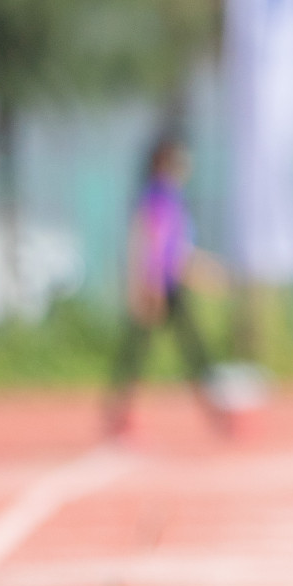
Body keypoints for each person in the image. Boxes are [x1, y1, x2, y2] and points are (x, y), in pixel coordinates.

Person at [106, 136, 225, 437]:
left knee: (181, 348)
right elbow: (153, 242)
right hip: (158, 286)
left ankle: (213, 411)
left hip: (169, 283)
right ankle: (120, 414)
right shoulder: (159, 195)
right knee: (145, 350)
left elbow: (179, 249)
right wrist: (153, 284)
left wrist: (202, 268)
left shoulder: (170, 195)